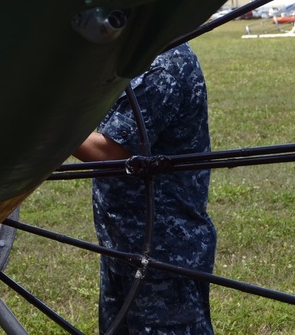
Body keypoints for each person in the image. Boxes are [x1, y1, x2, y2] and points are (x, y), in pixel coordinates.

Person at [72, 43, 216, 334]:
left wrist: (41, 124)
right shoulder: (136, 54)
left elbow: (110, 153)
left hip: (164, 253)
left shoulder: (163, 67)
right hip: (125, 246)